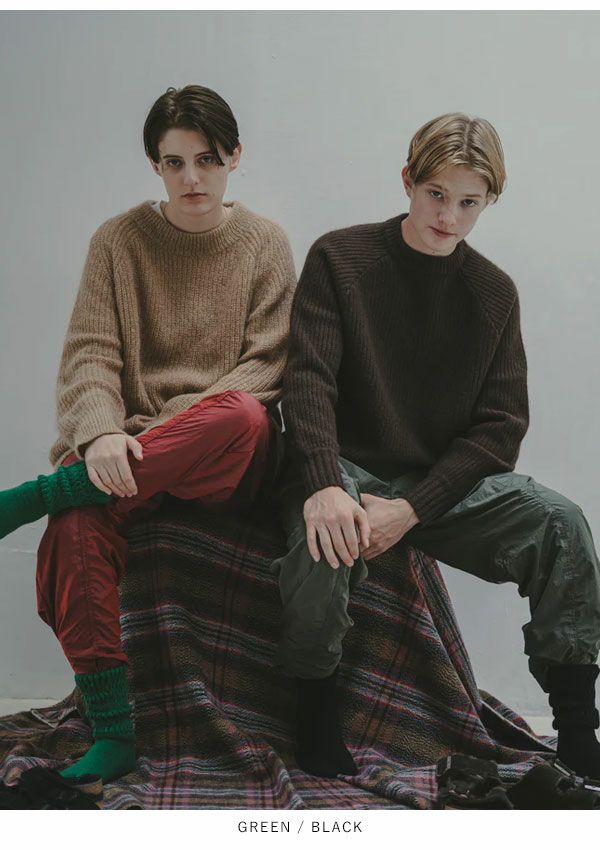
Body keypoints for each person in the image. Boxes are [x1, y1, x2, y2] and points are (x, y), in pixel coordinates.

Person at [272, 112, 600, 780]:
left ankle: (576, 730)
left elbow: (499, 428)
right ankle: (315, 713)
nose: (449, 216)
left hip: (433, 487)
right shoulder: (340, 258)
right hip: (344, 468)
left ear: (489, 201)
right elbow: (308, 382)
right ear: (408, 181)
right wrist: (325, 483)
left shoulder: (493, 293)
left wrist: (413, 508)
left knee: (562, 524)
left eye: (469, 202)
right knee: (327, 533)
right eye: (436, 195)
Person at [0, 85, 296, 783]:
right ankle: (114, 731)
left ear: (235, 157)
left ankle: (39, 494)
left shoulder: (265, 244)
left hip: (222, 455)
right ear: (154, 165)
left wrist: (157, 432)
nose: (192, 178)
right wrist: (101, 431)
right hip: (134, 457)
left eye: (207, 160)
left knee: (242, 414)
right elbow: (90, 354)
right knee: (75, 528)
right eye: (174, 163)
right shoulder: (118, 241)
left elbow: (267, 366)